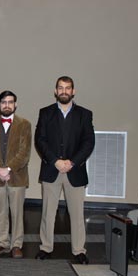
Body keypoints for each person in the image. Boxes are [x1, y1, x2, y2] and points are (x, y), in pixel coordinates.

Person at [34, 76, 95, 264]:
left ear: (73, 91)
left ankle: (79, 250)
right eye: (60, 88)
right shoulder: (45, 113)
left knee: (77, 214)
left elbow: (88, 142)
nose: (64, 91)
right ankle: (46, 247)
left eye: (68, 88)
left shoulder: (85, 114)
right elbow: (40, 140)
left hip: (74, 171)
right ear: (55, 91)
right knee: (48, 213)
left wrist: (72, 162)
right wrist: (55, 161)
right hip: (52, 170)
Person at [0, 90, 31, 259]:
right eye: (4, 102)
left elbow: (24, 153)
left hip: (17, 176)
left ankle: (16, 245)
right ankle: (3, 243)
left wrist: (9, 169)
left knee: (17, 212)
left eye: (10, 102)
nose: (7, 105)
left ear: (15, 105)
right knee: (1, 211)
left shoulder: (25, 124)